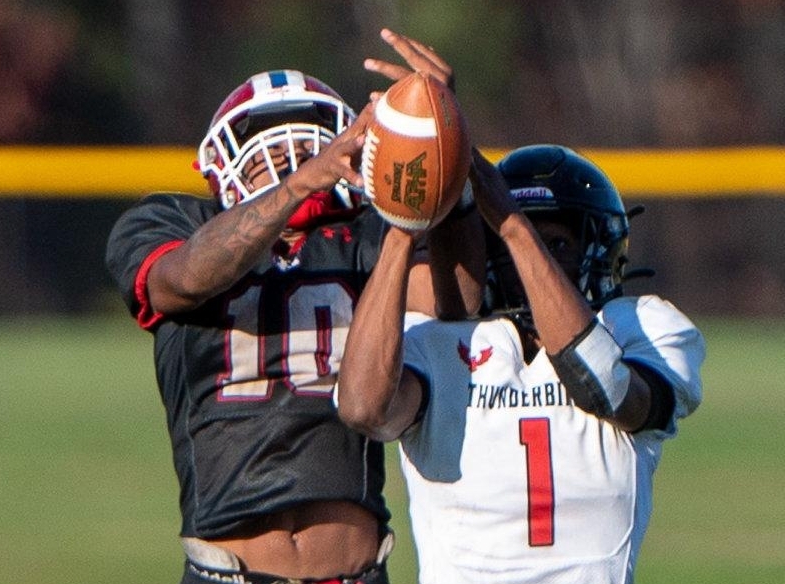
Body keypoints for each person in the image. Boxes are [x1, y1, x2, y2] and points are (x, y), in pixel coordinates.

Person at [105, 29, 482, 584]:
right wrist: (305, 182)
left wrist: (445, 138)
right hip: (230, 572)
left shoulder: (368, 232)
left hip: (354, 570)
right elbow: (178, 281)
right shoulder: (172, 222)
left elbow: (456, 303)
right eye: (267, 146)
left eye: (308, 145)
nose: (293, 156)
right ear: (221, 160)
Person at [336, 145, 705, 584]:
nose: (535, 257)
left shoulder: (639, 326)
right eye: (512, 243)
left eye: (557, 244)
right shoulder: (439, 341)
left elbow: (607, 388)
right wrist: (402, 231)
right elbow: (362, 408)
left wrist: (513, 228)